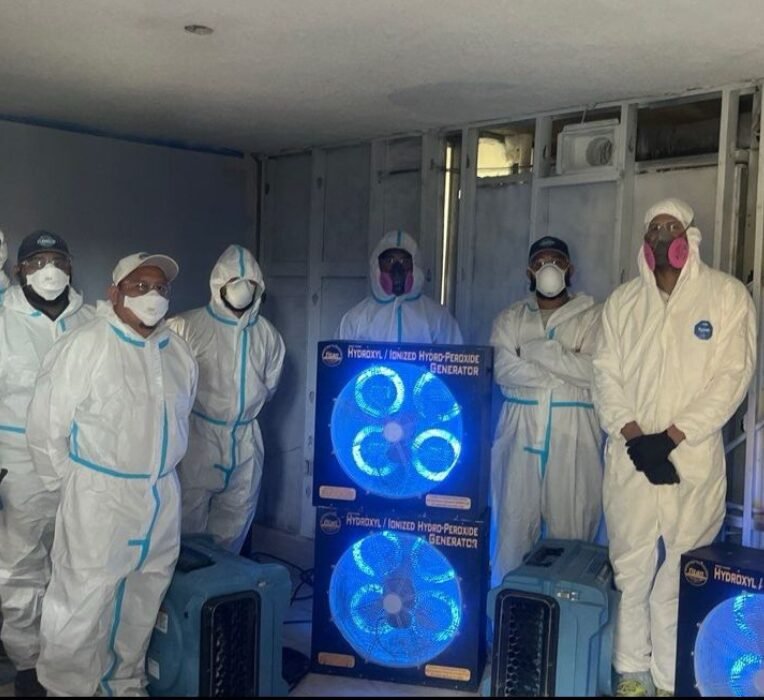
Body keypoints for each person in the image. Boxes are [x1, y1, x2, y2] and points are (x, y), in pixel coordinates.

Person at [592, 198, 756, 697]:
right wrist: (635, 437)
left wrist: (672, 437)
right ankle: (630, 674)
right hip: (632, 458)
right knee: (631, 568)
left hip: (692, 458)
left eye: (672, 227)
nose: (662, 236)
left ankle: (669, 679)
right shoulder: (623, 303)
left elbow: (732, 379)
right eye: (654, 229)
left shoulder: (726, 297)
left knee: (683, 570)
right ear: (644, 242)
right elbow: (605, 375)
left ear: (691, 238)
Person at [26, 252, 198, 696]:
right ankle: (67, 688)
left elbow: (181, 419)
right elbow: (46, 426)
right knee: (83, 600)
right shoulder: (85, 345)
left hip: (160, 496)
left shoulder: (178, 352)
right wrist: (72, 485)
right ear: (114, 292)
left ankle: (124, 682)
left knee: (144, 597)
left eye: (160, 287)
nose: (152, 296)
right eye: (140, 286)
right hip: (100, 494)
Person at [0, 230, 95, 696]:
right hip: (17, 461)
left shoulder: (90, 321)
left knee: (77, 561)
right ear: (20, 270)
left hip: (79, 461)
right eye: (37, 262)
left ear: (71, 266)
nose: (49, 270)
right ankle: (27, 662)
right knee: (21, 564)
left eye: (57, 260)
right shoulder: (3, 321)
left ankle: (67, 658)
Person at [489, 235, 603, 587]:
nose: (548, 268)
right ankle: (505, 609)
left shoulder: (593, 316)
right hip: (519, 436)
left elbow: (595, 372)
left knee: (572, 534)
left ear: (570, 269)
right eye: (539, 263)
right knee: (511, 530)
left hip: (574, 437)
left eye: (556, 261)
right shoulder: (510, 318)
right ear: (529, 272)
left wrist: (536, 352)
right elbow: (502, 370)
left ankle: (568, 617)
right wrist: (562, 367)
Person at [167, 244, 285, 554]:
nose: (242, 288)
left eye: (249, 282)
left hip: (246, 438)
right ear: (219, 283)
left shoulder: (268, 335)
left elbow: (270, 386)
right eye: (234, 280)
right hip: (198, 436)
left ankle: (223, 582)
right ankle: (187, 583)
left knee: (235, 520)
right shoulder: (186, 326)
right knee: (186, 522)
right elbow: (169, 385)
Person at [337, 229, 463, 343]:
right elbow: (338, 357)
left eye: (404, 261)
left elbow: (454, 357)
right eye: (389, 261)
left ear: (415, 266)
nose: (397, 269)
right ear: (377, 266)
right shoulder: (356, 319)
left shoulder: (437, 318)